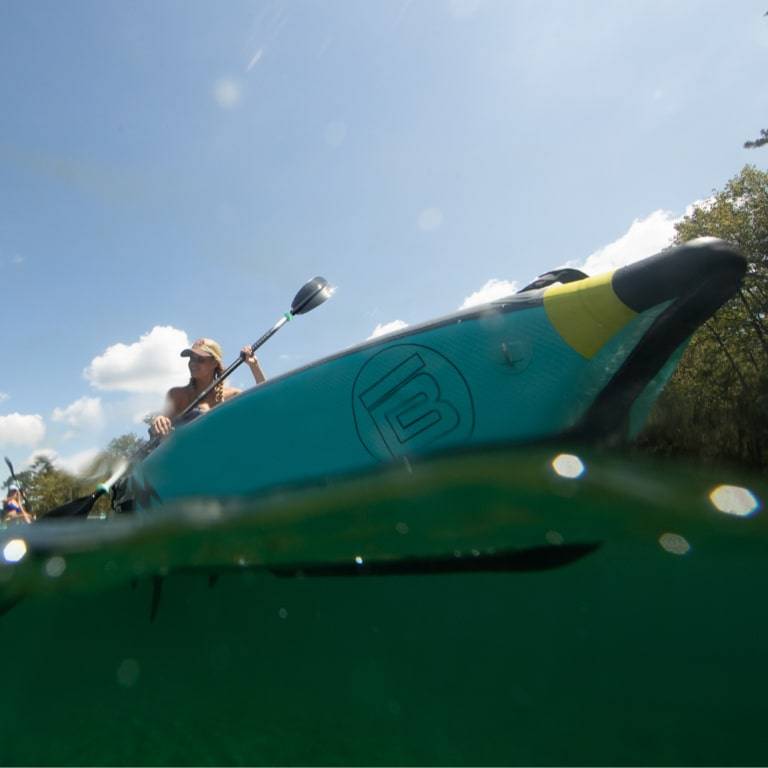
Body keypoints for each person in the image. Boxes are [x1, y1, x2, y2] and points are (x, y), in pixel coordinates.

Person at [150, 338, 266, 437]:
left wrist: (254, 365)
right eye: (191, 358)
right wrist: (158, 421)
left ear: (214, 363)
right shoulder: (177, 395)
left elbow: (264, 403)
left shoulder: (232, 395)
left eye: (200, 359)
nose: (193, 363)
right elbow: (158, 431)